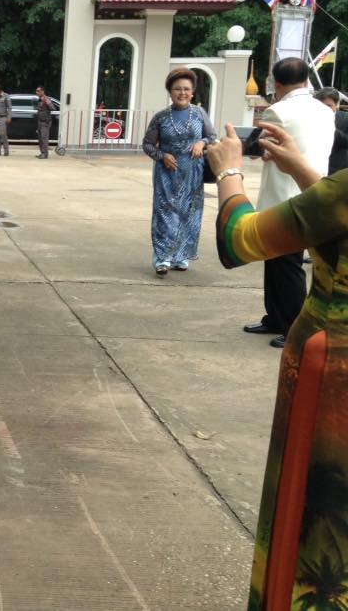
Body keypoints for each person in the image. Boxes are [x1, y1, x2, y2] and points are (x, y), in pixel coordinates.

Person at [207, 120, 348, 610]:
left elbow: (239, 240)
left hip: (332, 381)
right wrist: (304, 171)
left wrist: (228, 171)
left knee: (318, 518)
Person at [241, 57, 334, 349]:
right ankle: (275, 316)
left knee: (287, 265)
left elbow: (258, 147)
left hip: (284, 196)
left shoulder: (277, 111)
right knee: (277, 260)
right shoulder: (325, 109)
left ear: (277, 83)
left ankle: (294, 326)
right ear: (306, 79)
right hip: (315, 189)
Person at [141, 68, 216, 276]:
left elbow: (212, 137)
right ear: (170, 91)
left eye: (186, 89)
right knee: (165, 214)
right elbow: (147, 145)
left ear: (192, 92)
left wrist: (202, 142)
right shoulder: (160, 117)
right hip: (167, 173)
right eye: (177, 89)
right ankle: (162, 258)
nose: (182, 93)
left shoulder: (200, 114)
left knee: (189, 214)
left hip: (193, 173)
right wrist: (162, 155)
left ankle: (181, 256)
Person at [313, 86, 348, 174]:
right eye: (322, 105)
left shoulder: (345, 118)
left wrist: (331, 129)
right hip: (314, 168)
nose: (325, 109)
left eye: (329, 106)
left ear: (336, 105)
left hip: (338, 170)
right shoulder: (311, 119)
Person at [35, 86, 54, 159]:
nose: (37, 92)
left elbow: (53, 108)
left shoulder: (46, 99)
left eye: (38, 91)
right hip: (40, 121)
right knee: (40, 139)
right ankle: (42, 153)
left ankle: (45, 154)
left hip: (45, 122)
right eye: (36, 91)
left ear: (42, 91)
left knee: (44, 138)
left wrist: (46, 102)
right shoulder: (39, 99)